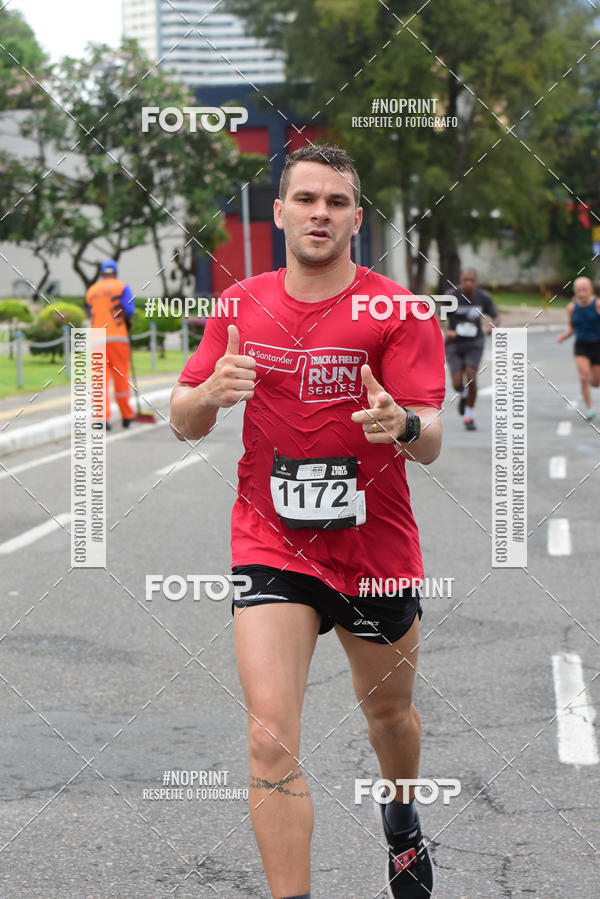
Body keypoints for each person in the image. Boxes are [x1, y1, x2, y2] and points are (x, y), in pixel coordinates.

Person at [170, 145, 445, 898]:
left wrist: (403, 424)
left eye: (337, 201)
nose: (320, 211)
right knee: (268, 738)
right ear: (282, 211)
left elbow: (432, 438)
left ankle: (400, 814)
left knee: (390, 716)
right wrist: (208, 394)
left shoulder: (400, 310)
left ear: (357, 218)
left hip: (374, 550)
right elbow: (182, 419)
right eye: (307, 198)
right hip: (273, 544)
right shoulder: (238, 305)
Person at [444, 268, 499, 430]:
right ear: (461, 280)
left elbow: (496, 316)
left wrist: (491, 325)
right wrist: (447, 331)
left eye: (471, 280)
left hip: (475, 342)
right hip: (455, 343)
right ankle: (464, 394)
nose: (468, 283)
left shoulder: (483, 297)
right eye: (465, 280)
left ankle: (469, 416)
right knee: (456, 383)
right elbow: (439, 316)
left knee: (471, 376)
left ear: (476, 282)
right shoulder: (451, 296)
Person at [85, 260, 135, 430]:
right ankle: (127, 416)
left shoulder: (91, 291)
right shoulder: (122, 287)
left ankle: (101, 419)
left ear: (101, 274)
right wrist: (127, 321)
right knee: (121, 377)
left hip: (97, 338)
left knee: (99, 380)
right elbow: (129, 310)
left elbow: (89, 312)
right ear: (115, 273)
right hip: (117, 337)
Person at [557, 276, 600, 421]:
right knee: (583, 376)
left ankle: (591, 380)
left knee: (596, 382)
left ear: (590, 290)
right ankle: (589, 409)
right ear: (574, 291)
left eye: (584, 290)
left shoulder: (598, 304)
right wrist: (564, 335)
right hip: (581, 346)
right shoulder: (571, 307)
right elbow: (571, 327)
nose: (582, 293)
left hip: (597, 345)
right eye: (579, 290)